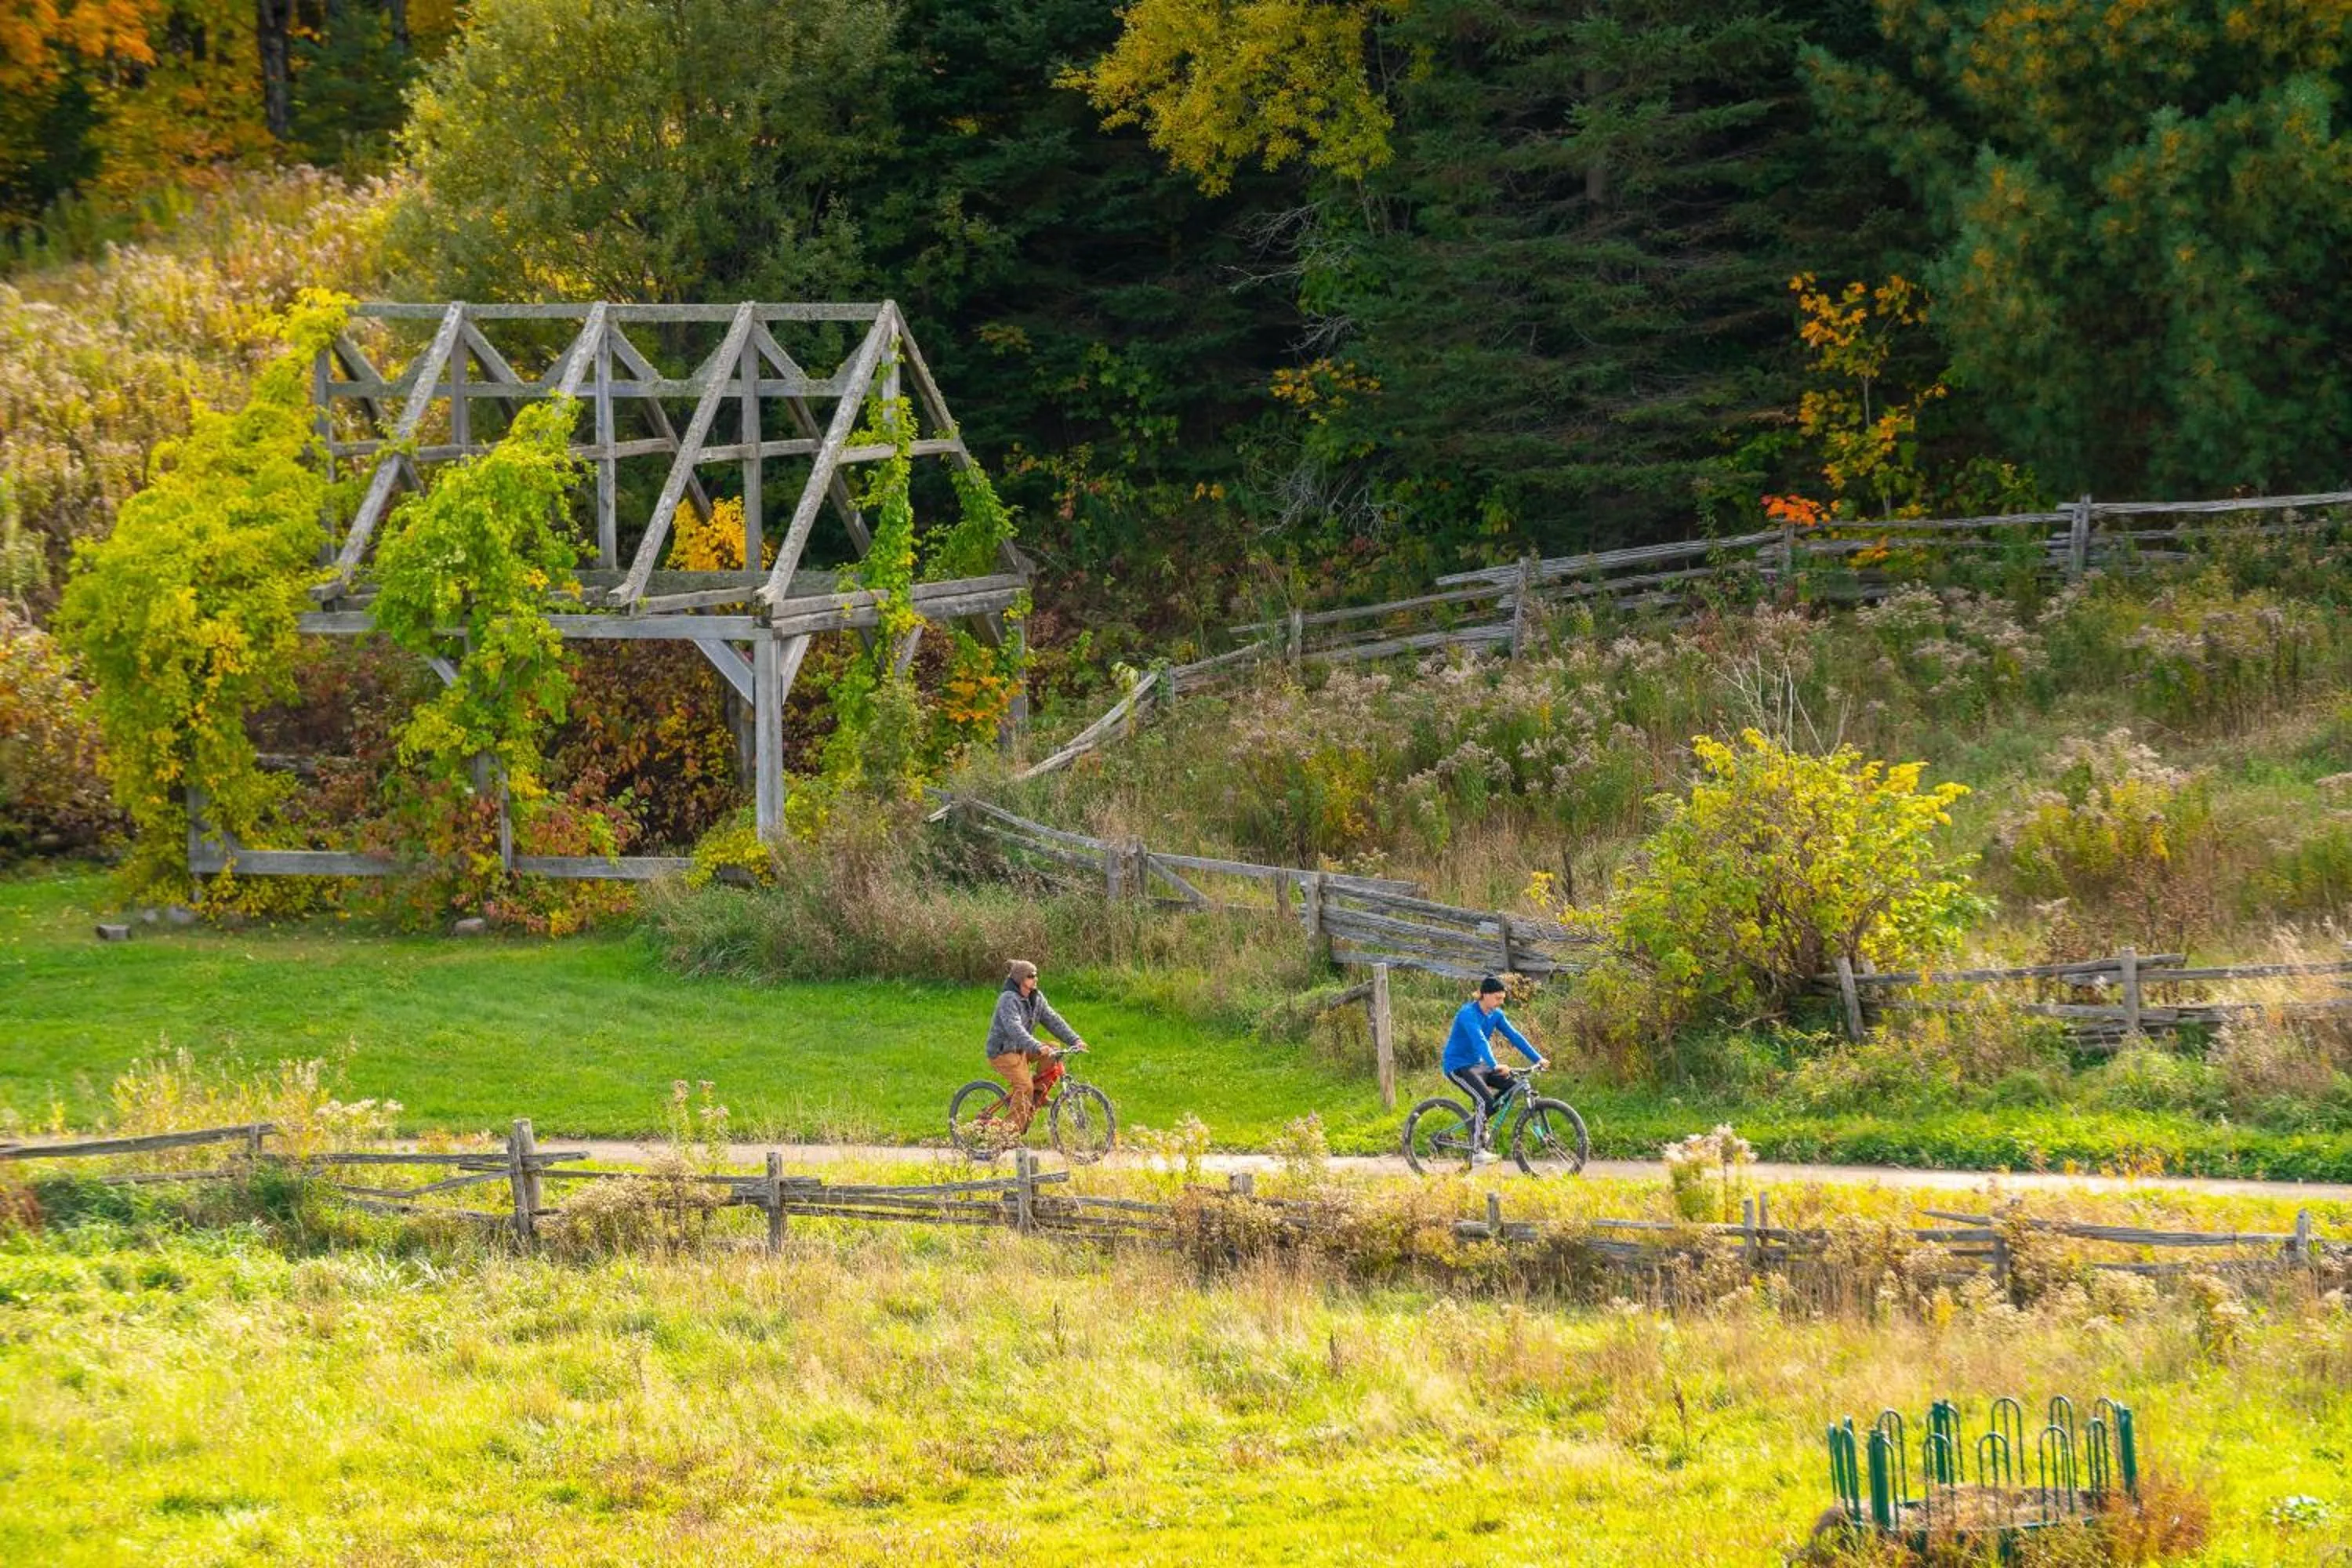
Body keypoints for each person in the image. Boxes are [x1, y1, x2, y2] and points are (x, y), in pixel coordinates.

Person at [1442, 975, 1547, 1166]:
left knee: (1512, 1087)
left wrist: (1538, 1058)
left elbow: (1515, 1037)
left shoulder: (1496, 1015)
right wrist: (1494, 1064)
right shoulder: (1468, 1013)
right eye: (1497, 998)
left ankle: (1478, 1125)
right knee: (1485, 1100)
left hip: (1478, 1064)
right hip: (1458, 1066)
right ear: (1484, 995)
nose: (1500, 1003)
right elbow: (1479, 1040)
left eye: (1502, 999)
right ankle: (1477, 1151)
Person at [982, 958, 1085, 1149]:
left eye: (1036, 975)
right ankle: (1007, 1136)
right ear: (1021, 979)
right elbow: (1015, 1028)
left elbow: (1053, 1019)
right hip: (1003, 1052)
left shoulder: (1036, 997)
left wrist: (1075, 1040)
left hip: (1022, 1048)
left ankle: (1037, 1097)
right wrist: (1036, 1046)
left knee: (1053, 1050)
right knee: (1024, 1086)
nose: (1036, 979)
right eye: (1031, 976)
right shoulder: (1008, 999)